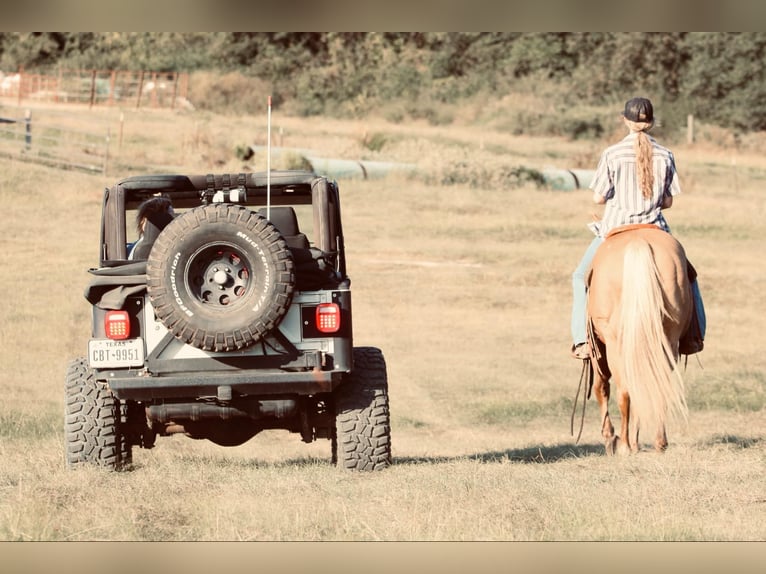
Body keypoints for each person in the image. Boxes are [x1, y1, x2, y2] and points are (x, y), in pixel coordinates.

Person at [570, 96, 705, 359]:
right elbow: (668, 201)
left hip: (615, 228)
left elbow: (598, 197)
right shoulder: (666, 155)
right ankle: (694, 336)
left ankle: (581, 340)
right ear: (652, 122)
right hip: (655, 227)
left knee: (579, 277)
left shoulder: (611, 153)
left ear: (625, 120)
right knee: (688, 275)